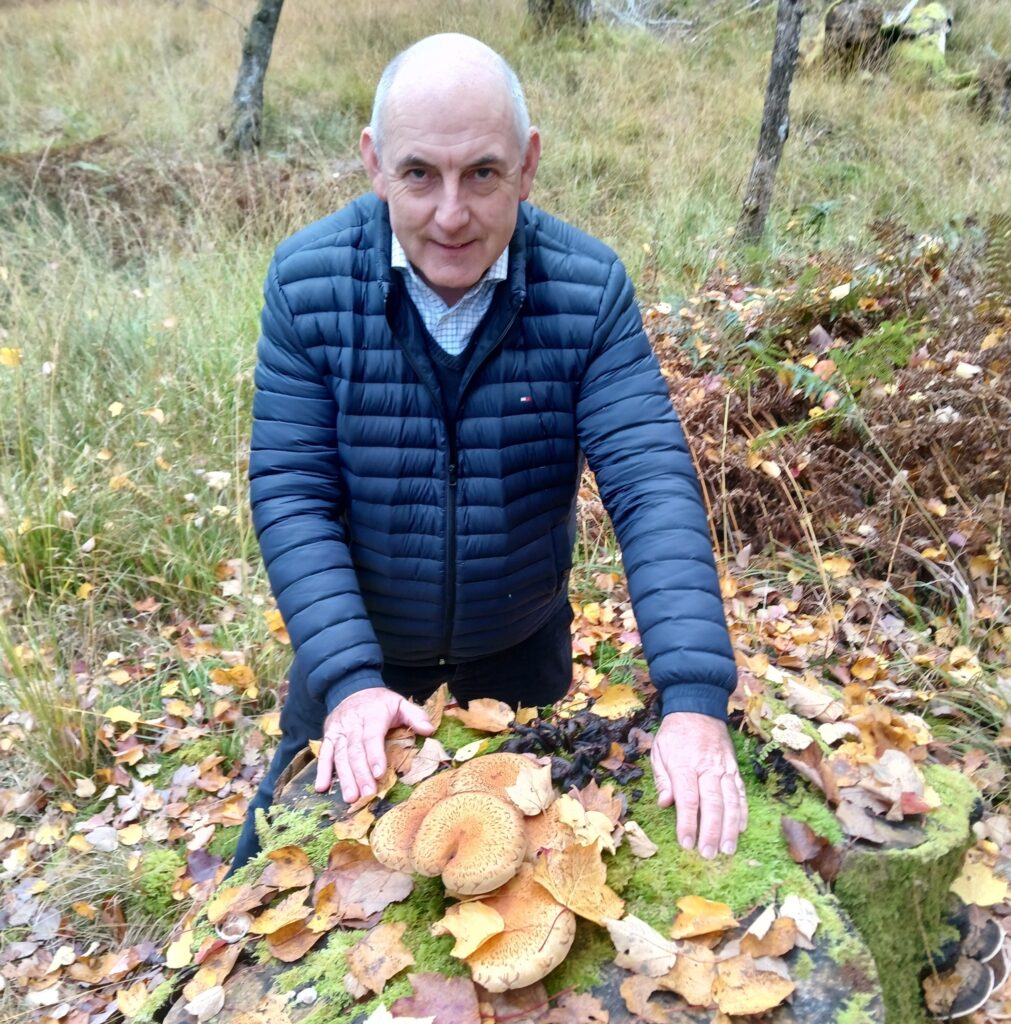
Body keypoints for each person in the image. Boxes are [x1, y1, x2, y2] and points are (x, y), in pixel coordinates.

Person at [230, 32, 746, 873]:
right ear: (372, 162)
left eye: (482, 173)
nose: (450, 215)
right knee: (285, 874)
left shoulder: (587, 289)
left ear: (528, 164)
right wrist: (350, 679)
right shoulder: (307, 282)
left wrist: (691, 696)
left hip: (518, 656)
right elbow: (291, 489)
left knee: (513, 889)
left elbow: (648, 483)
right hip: (359, 652)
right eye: (418, 174)